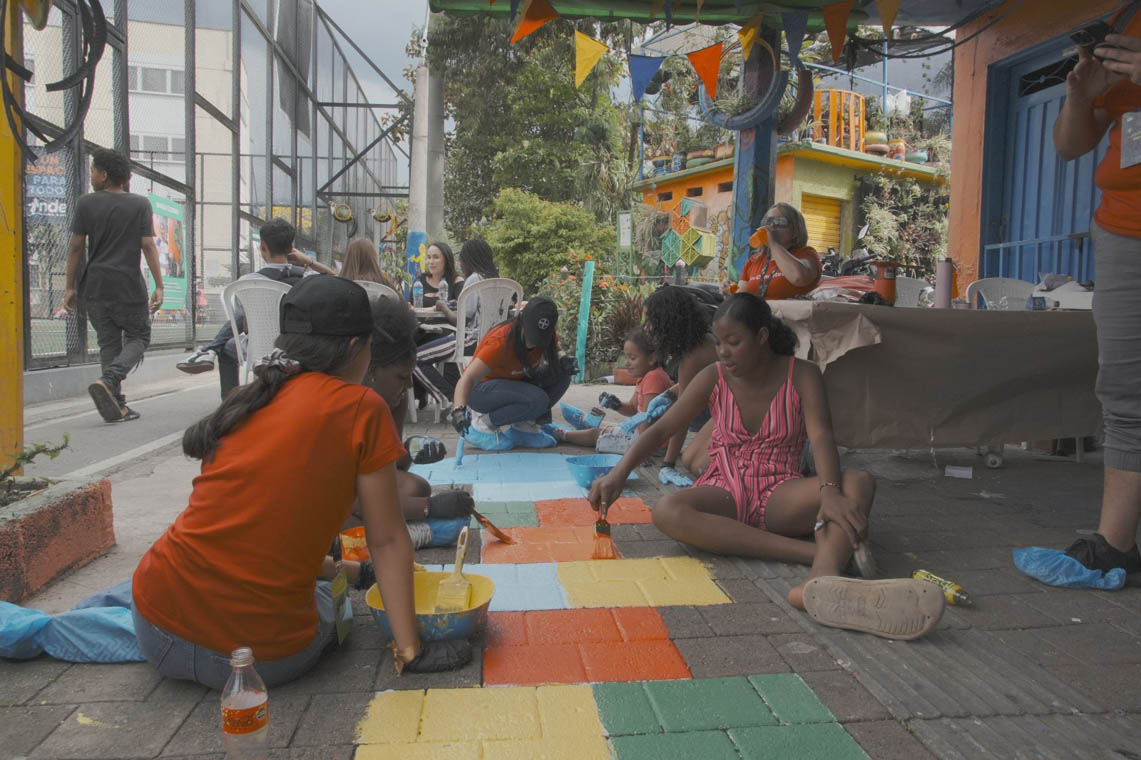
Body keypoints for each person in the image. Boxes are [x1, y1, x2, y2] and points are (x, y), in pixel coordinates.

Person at [132, 277, 470, 689]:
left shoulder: (250, 396)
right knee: (335, 602)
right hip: (261, 657)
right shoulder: (362, 407)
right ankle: (356, 590)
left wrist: (349, 569)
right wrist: (411, 650)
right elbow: (387, 540)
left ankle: (343, 571)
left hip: (155, 625)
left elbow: (264, 527)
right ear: (356, 350)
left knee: (317, 571)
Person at [589, 293, 944, 640]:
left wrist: (830, 492)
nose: (724, 352)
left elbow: (821, 436)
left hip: (781, 493)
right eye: (719, 342)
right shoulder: (713, 376)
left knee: (860, 483)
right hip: (724, 491)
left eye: (734, 342)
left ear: (761, 337)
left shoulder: (802, 374)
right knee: (667, 511)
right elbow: (665, 427)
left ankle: (819, 582)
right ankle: (821, 559)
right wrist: (618, 473)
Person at [1049, 11, 1141, 578]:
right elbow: (1068, 146)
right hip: (1123, 231)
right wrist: (1081, 97)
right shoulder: (1129, 21)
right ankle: (1116, 543)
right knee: (1124, 388)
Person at [177, 219, 331, 398]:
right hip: (297, 348)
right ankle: (210, 349)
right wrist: (309, 262)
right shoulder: (308, 278)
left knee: (227, 348)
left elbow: (247, 326)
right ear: (292, 248)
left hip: (257, 348)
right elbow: (337, 280)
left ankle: (228, 397)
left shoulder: (248, 282)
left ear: (263, 247)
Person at [63, 148, 163, 423]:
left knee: (108, 343)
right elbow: (148, 245)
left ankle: (116, 404)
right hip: (127, 285)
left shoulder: (86, 203)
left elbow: (75, 247)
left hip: (94, 285)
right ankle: (110, 381)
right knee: (139, 337)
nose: (92, 175)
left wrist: (70, 286)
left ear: (105, 175)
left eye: (94, 170)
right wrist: (159, 285)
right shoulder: (140, 204)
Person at [450, 296, 575, 451]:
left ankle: (524, 428)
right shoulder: (500, 342)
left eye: (539, 338)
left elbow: (556, 348)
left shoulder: (546, 333)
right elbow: (467, 378)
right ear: (521, 320)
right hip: (482, 391)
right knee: (537, 400)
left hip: (515, 382)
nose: (534, 343)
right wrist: (458, 410)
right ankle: (482, 424)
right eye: (531, 335)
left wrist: (564, 360)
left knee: (562, 375)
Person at [639, 286, 720, 485]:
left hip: (743, 412)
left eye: (651, 320)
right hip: (730, 407)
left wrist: (667, 464)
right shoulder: (703, 340)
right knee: (689, 458)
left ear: (668, 322)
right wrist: (669, 394)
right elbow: (698, 382)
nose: (647, 327)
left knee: (696, 465)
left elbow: (682, 417)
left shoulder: (692, 356)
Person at [415, 238, 503, 405]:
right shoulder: (496, 279)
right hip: (493, 340)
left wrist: (443, 307)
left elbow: (462, 320)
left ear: (469, 260)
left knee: (416, 357)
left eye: (462, 260)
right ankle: (456, 397)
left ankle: (452, 400)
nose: (461, 265)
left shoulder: (474, 279)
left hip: (471, 340)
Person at [554, 328, 671, 448]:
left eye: (632, 358)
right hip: (642, 434)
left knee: (598, 433)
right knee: (609, 426)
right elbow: (633, 408)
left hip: (649, 442)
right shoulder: (646, 377)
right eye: (626, 357)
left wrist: (635, 447)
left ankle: (563, 435)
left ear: (651, 359)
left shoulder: (654, 378)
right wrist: (617, 405)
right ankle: (585, 421)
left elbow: (648, 419)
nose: (626, 363)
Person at [732, 203, 822, 300]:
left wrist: (773, 244)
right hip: (755, 313)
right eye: (768, 221)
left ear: (796, 231)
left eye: (780, 222)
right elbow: (740, 298)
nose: (772, 226)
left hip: (785, 313)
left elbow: (799, 278)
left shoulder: (807, 254)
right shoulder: (754, 260)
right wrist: (730, 291)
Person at [417, 241, 463, 308]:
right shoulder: (420, 280)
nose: (431, 262)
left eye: (436, 257)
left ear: (446, 260)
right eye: (429, 257)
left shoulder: (457, 282)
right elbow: (411, 305)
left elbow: (462, 310)